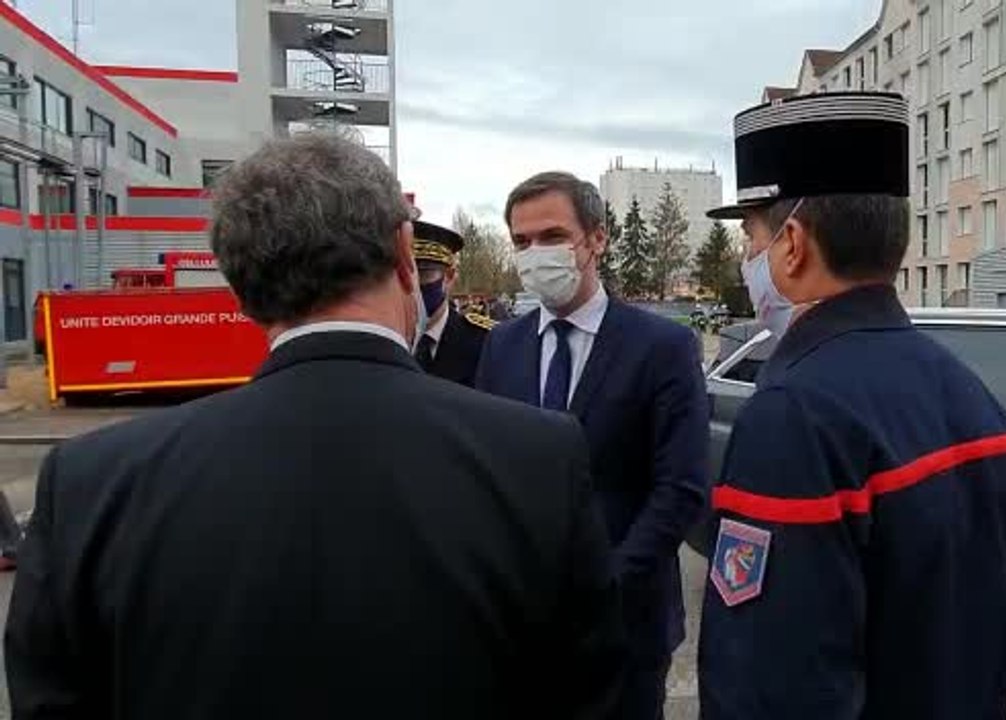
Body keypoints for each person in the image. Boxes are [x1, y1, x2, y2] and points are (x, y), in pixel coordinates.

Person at [4, 135, 625, 719]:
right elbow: (590, 696)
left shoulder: (91, 484)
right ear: (404, 254)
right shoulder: (537, 459)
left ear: (240, 292)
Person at [698, 92, 1006, 718]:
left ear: (792, 244)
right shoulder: (970, 393)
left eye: (751, 236)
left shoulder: (796, 414)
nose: (747, 258)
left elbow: (772, 685)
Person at [476, 171, 709, 720]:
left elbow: (680, 488)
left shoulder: (664, 347)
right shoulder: (501, 346)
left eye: (552, 236)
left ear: (597, 238)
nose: (536, 254)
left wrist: (603, 586)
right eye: (522, 241)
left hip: (626, 627)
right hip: (523, 627)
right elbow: (487, 476)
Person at [412, 218, 495, 386]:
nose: (411, 285)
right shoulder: (377, 340)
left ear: (449, 277)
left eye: (422, 273)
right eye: (398, 275)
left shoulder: (487, 341)